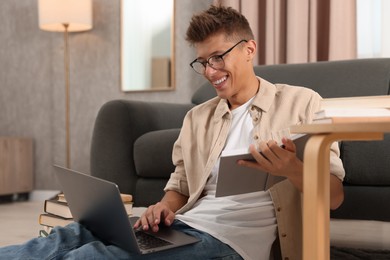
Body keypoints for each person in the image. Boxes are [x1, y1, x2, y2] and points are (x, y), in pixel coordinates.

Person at [0, 5, 345, 260]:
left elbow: (333, 197)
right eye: (202, 62)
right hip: (182, 227)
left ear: (249, 49)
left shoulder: (302, 102)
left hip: (230, 243)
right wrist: (162, 208)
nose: (210, 71)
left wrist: (292, 170)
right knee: (66, 237)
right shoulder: (198, 117)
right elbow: (179, 185)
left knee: (90, 257)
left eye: (218, 58)